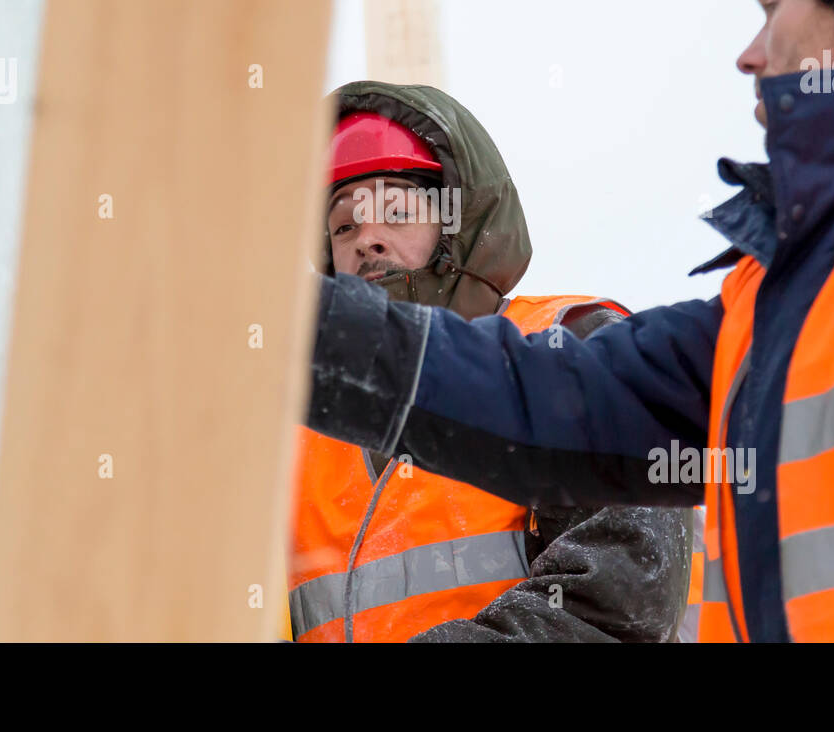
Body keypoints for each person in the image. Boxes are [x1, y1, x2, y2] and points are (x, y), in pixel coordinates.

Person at [301, 0, 834, 642]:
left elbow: (611, 580)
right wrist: (288, 324)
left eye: (772, 7)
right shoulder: (777, 299)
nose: (750, 53)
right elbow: (552, 403)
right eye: (342, 222)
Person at [288, 80, 693, 642]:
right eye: (343, 225)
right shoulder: (294, 430)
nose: (367, 240)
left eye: (397, 212)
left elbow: (615, 603)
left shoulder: (571, 345)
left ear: (461, 223)